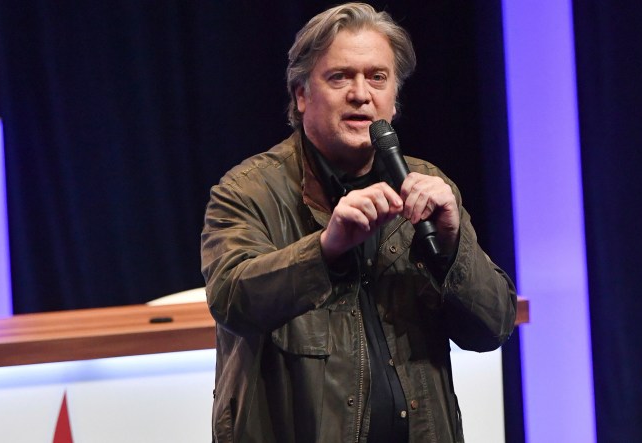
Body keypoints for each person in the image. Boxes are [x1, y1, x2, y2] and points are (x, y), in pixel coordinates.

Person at [200, 3, 517, 442]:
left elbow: (493, 328)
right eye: (340, 76)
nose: (361, 93)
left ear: (393, 97)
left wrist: (450, 246)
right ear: (301, 94)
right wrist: (325, 249)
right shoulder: (248, 191)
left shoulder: (428, 186)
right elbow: (231, 298)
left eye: (377, 77)